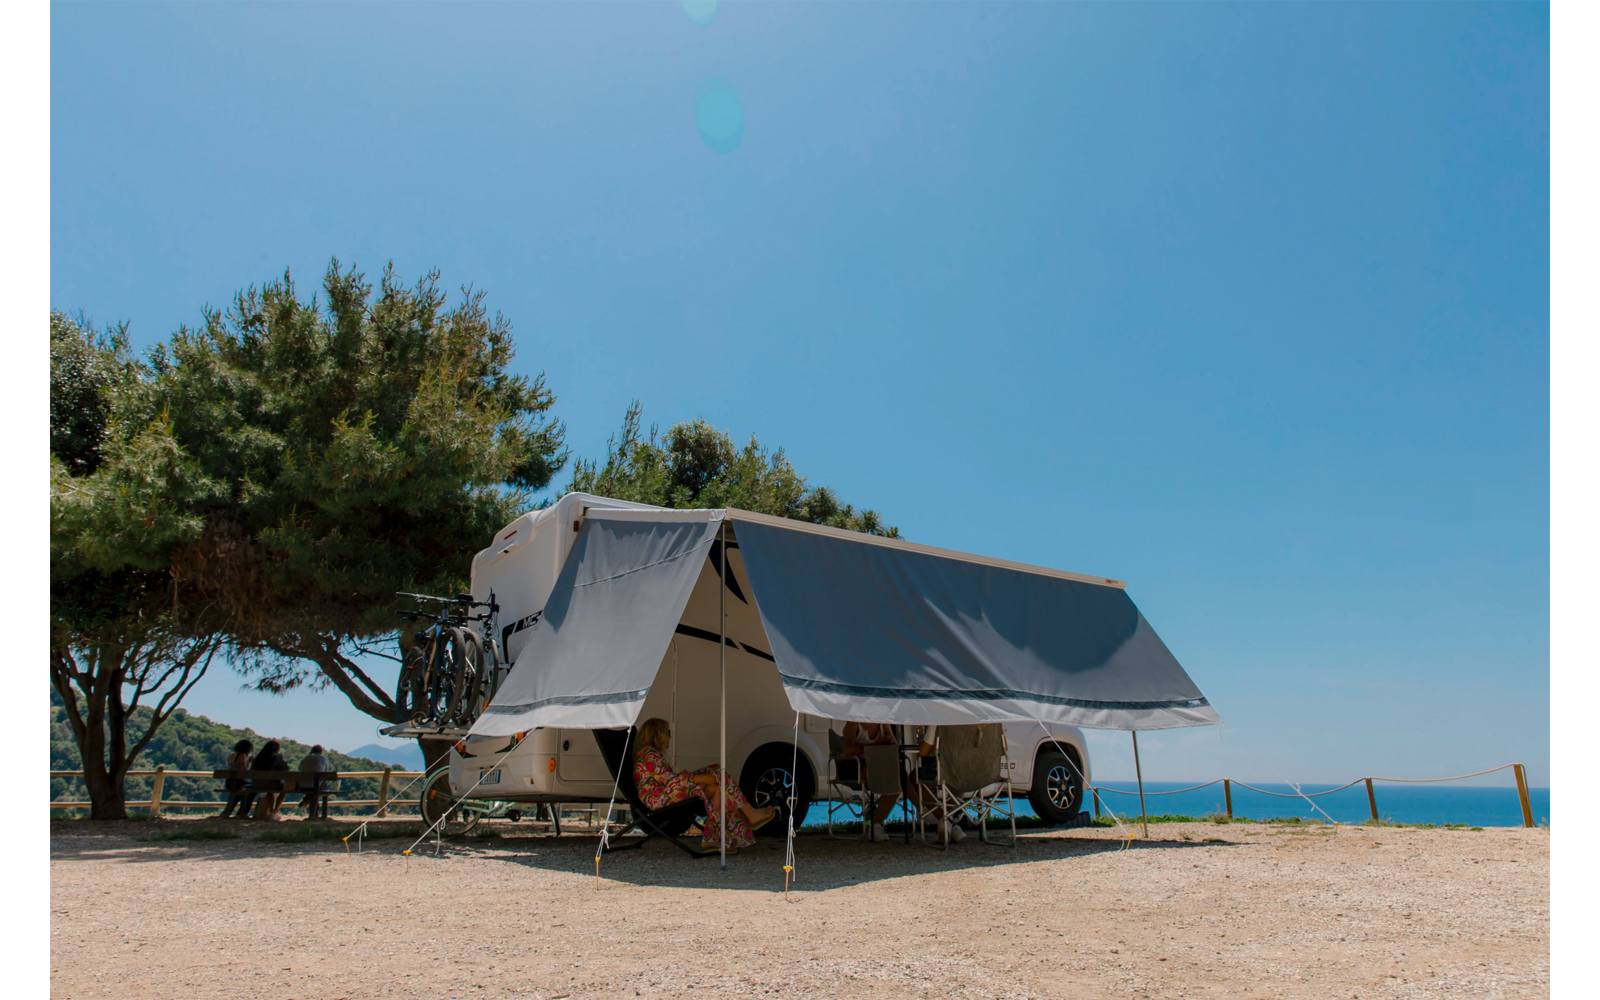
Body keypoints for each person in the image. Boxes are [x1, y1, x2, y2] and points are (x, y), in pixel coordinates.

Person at [631, 717, 775, 854]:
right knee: (718, 777)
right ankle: (750, 813)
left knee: (716, 784)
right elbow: (670, 780)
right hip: (659, 798)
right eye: (668, 732)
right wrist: (700, 778)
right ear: (657, 734)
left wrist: (703, 778)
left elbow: (669, 780)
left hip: (665, 793)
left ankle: (711, 840)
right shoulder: (649, 755)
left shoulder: (649, 754)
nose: (670, 736)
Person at [841, 721, 900, 842]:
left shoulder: (883, 723)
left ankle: (875, 825)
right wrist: (876, 745)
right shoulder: (854, 723)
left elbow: (895, 747)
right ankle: (929, 811)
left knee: (899, 775)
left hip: (877, 764)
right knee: (898, 776)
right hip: (855, 766)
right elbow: (846, 750)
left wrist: (890, 743)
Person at [905, 724, 965, 844]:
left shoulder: (939, 719)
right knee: (962, 776)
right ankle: (949, 823)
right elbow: (1003, 747)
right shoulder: (983, 720)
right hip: (977, 773)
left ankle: (944, 820)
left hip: (948, 771)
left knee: (914, 776)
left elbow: (923, 751)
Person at [249, 740, 290, 821]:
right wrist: (282, 759)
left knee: (270, 790)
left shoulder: (258, 758)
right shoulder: (276, 758)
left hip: (256, 784)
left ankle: (271, 810)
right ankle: (275, 810)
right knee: (285, 789)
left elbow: (251, 770)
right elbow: (286, 769)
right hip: (272, 784)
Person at [218, 739, 255, 819]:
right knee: (252, 788)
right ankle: (242, 813)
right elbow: (244, 772)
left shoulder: (231, 755)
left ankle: (228, 811)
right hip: (238, 783)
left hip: (229, 782)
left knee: (238, 794)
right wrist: (249, 762)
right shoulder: (242, 756)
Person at [298, 745, 332, 819]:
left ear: (312, 751)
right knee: (318, 786)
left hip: (302, 785)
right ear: (321, 752)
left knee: (312, 789)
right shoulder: (324, 759)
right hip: (316, 786)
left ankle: (308, 799)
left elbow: (300, 769)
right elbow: (325, 772)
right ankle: (314, 813)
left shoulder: (306, 758)